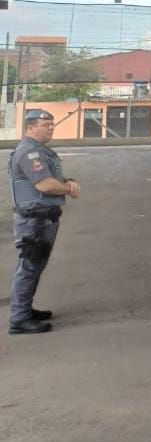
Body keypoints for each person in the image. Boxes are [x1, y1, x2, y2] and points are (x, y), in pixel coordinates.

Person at [9, 110, 80, 335]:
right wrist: (67, 188)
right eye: (45, 124)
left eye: (52, 124)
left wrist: (67, 180)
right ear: (31, 127)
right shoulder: (29, 152)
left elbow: (52, 178)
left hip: (42, 218)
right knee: (29, 267)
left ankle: (25, 310)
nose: (51, 127)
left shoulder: (40, 151)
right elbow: (44, 185)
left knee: (35, 266)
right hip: (34, 221)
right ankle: (19, 319)